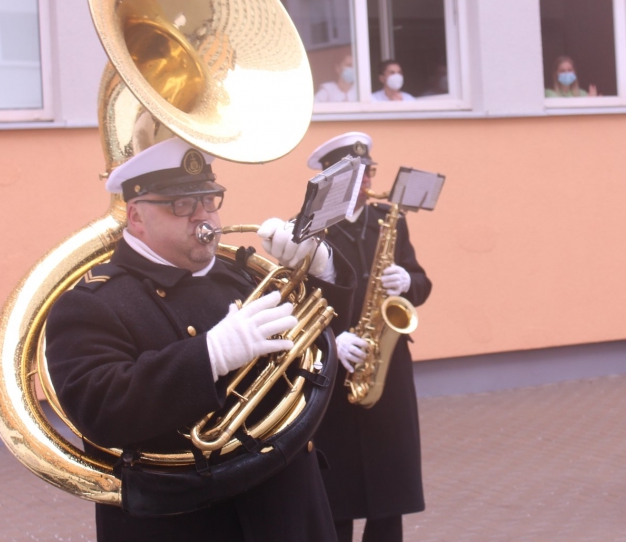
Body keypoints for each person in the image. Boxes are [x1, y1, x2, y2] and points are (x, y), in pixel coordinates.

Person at [45, 136, 355, 542]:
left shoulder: (241, 274)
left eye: (210, 200)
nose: (204, 217)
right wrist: (208, 355)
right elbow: (100, 409)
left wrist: (321, 267)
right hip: (191, 523)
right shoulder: (93, 303)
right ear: (136, 217)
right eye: (182, 205)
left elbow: (313, 340)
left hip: (290, 508)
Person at [307, 132, 432, 542]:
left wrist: (407, 281)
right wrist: (331, 338)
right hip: (335, 364)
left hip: (387, 366)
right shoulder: (310, 229)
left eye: (369, 173)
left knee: (389, 491)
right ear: (333, 180)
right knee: (337, 495)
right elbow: (295, 304)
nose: (367, 183)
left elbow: (423, 284)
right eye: (357, 176)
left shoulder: (387, 219)